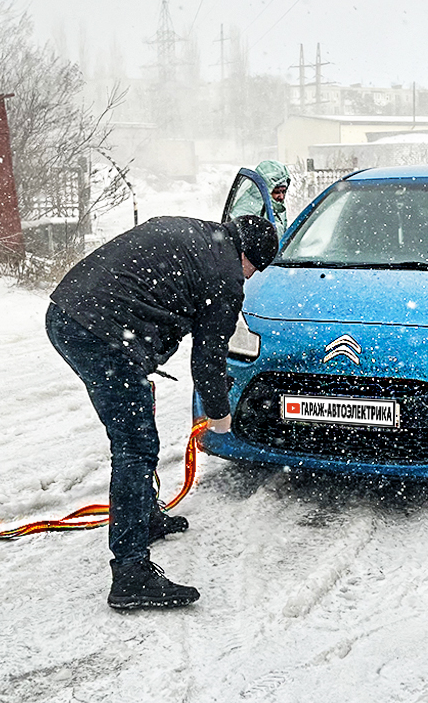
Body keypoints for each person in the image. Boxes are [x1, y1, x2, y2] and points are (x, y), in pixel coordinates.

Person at [46, 214, 279, 610]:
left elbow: (147, 283)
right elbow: (207, 359)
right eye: (254, 270)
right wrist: (219, 416)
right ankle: (131, 574)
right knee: (135, 446)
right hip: (100, 333)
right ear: (249, 257)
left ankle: (143, 517)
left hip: (68, 311)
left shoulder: (195, 232)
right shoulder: (225, 275)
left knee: (135, 429)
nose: (249, 277)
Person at [233, 160, 291, 236]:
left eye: (284, 191)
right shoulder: (246, 211)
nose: (281, 196)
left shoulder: (276, 206)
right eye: (277, 192)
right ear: (267, 189)